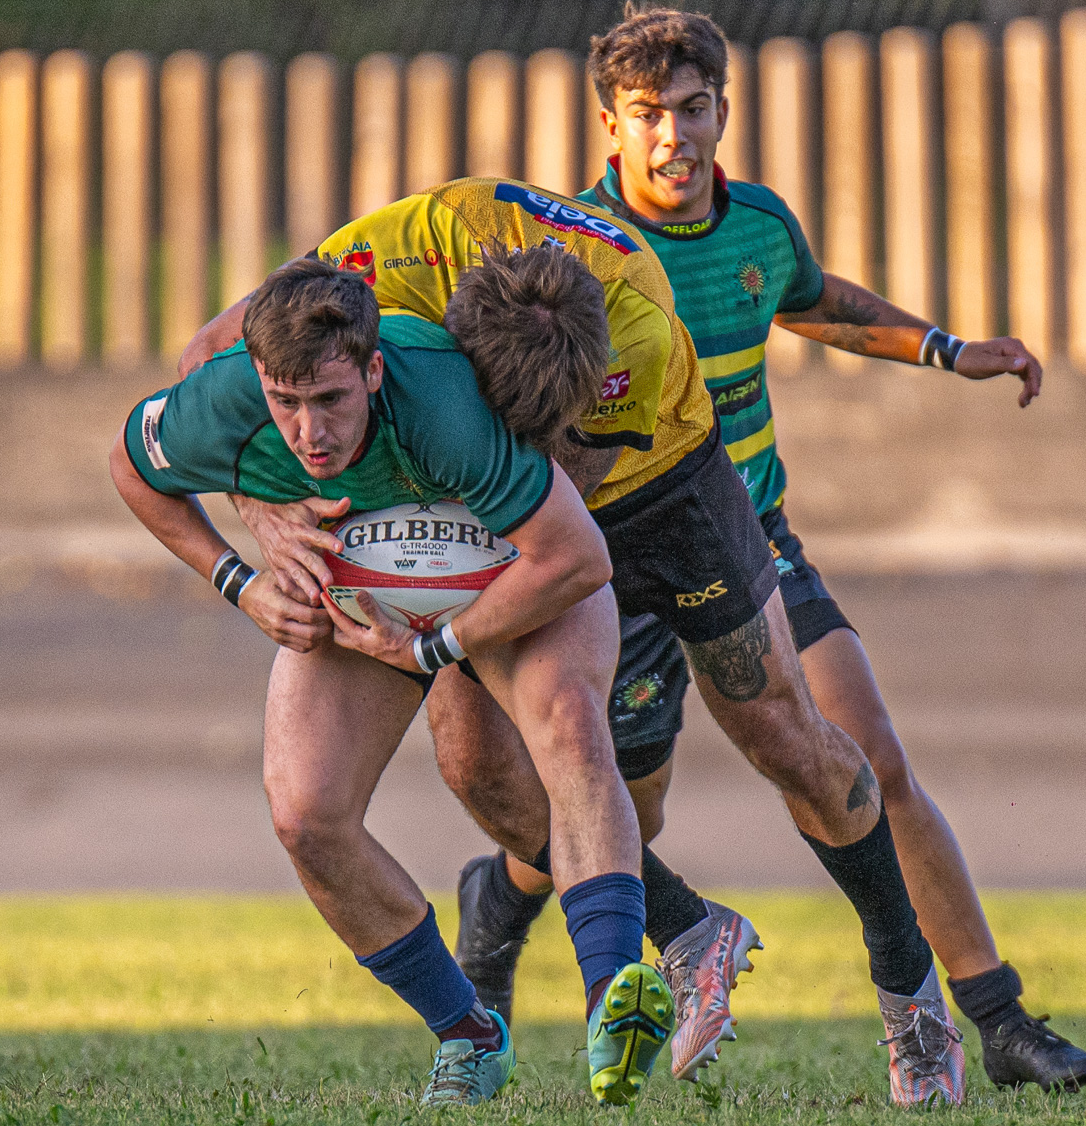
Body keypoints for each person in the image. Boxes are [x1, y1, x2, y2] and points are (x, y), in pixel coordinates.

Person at [180, 176, 958, 1106]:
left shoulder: (634, 326)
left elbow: (566, 532)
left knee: (787, 736)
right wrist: (262, 514)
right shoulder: (399, 254)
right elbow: (213, 359)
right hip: (485, 499)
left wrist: (448, 623)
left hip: (659, 483)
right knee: (479, 768)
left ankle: (911, 991)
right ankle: (685, 929)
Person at [449, 5, 1086, 1097]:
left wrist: (947, 350)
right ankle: (507, 892)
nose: (674, 136)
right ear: (609, 126)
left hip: (751, 540)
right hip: (610, 561)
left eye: (694, 108)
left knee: (867, 759)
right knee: (623, 810)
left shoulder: (757, 224)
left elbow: (812, 302)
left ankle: (993, 1016)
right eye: (648, 114)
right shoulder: (566, 246)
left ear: (724, 111)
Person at [112, 256, 673, 1107]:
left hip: (512, 564)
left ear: (373, 370)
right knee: (306, 814)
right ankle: (467, 1035)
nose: (308, 433)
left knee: (568, 726)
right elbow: (131, 468)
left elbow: (576, 558)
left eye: (332, 401)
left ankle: (611, 1005)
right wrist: (241, 581)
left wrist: (433, 648)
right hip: (360, 582)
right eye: (285, 403)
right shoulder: (223, 399)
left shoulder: (441, 406)